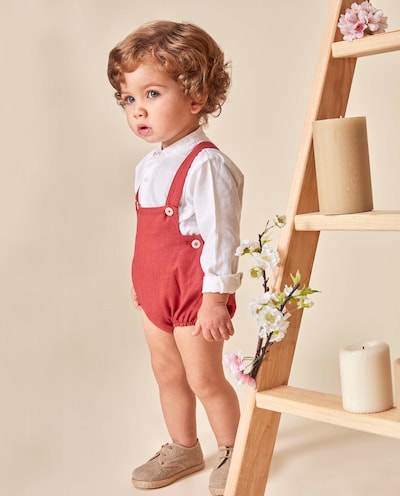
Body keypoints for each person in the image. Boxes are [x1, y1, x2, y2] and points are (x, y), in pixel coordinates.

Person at [107, 20, 244, 496]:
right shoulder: (147, 166)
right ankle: (184, 446)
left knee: (204, 378)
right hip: (154, 295)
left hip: (193, 297)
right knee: (166, 373)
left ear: (196, 96)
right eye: (128, 99)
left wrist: (215, 298)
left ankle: (234, 448)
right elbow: (150, 235)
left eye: (152, 94)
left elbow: (221, 237)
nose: (138, 110)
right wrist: (140, 281)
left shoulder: (207, 164)